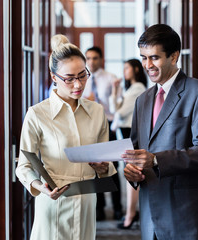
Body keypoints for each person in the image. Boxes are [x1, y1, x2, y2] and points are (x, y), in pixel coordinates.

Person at [16, 34, 116, 240]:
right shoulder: (37, 114)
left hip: (87, 201)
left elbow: (107, 162)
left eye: (82, 75)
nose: (78, 85)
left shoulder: (97, 112)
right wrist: (40, 187)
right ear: (54, 77)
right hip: (54, 201)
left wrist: (104, 167)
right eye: (69, 79)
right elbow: (24, 167)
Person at [122, 24, 198, 240]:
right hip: (149, 219)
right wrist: (132, 173)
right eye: (144, 58)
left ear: (174, 56)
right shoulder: (142, 100)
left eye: (154, 58)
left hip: (186, 216)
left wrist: (155, 160)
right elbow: (136, 151)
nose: (147, 65)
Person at [83, 46, 123, 220]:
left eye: (95, 58)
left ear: (101, 59)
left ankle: (118, 208)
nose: (91, 62)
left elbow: (119, 105)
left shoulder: (111, 79)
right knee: (94, 169)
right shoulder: (81, 79)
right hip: (89, 127)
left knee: (112, 169)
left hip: (108, 126)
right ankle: (99, 209)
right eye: (88, 58)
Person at [108, 59, 147, 229]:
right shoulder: (131, 89)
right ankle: (131, 215)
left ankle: (130, 216)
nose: (124, 71)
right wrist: (115, 90)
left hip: (131, 134)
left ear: (136, 69)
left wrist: (117, 99)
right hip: (126, 133)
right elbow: (114, 108)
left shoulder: (138, 88)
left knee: (131, 176)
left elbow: (119, 112)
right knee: (130, 175)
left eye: (127, 68)